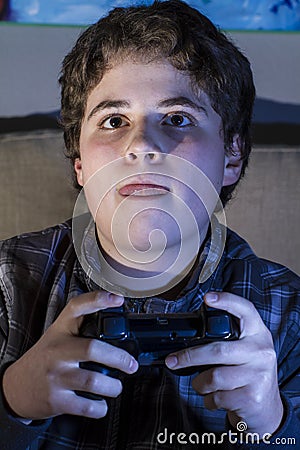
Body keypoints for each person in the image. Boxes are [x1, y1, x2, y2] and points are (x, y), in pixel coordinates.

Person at [0, 1, 299, 448]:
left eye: (177, 119)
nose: (140, 144)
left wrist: (271, 424)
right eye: (114, 121)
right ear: (80, 163)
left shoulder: (290, 315)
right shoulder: (6, 282)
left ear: (231, 156)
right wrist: (12, 400)